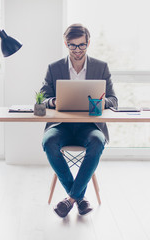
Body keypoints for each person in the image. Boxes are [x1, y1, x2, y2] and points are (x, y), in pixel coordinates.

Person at [40, 24, 118, 218]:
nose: (77, 50)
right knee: (48, 142)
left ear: (88, 43)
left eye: (81, 45)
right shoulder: (54, 67)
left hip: (89, 127)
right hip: (60, 126)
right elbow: (42, 96)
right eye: (72, 46)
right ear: (66, 44)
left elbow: (114, 100)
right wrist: (53, 101)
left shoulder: (101, 67)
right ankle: (80, 198)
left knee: (98, 141)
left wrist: (101, 102)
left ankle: (70, 199)